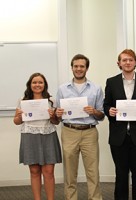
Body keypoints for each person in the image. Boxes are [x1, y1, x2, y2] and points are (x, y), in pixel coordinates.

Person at [103, 49, 136, 200]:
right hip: (118, 137)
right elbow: (106, 105)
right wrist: (109, 111)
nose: (127, 62)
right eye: (124, 60)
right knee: (121, 175)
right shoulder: (111, 82)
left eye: (130, 60)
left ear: (135, 62)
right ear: (119, 63)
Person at [55, 54, 105, 200]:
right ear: (72, 68)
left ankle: (95, 198)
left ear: (87, 68)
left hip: (89, 132)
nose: (78, 69)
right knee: (70, 172)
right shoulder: (62, 89)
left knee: (93, 171)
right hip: (69, 131)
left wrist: (94, 111)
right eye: (76, 66)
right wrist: (57, 113)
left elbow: (101, 115)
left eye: (82, 66)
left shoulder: (96, 88)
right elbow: (57, 117)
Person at [13, 72, 62, 200]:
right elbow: (17, 122)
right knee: (34, 171)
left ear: (44, 84)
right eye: (34, 82)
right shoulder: (22, 100)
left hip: (48, 135)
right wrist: (18, 116)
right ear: (30, 85)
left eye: (40, 82)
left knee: (49, 172)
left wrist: (53, 116)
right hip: (30, 136)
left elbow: (56, 122)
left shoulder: (52, 101)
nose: (37, 85)